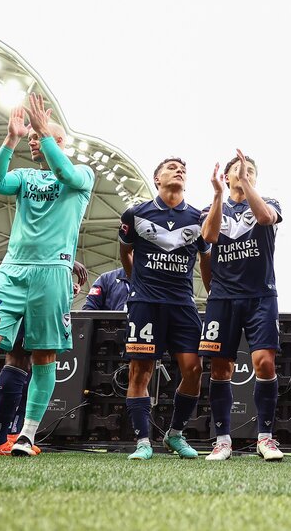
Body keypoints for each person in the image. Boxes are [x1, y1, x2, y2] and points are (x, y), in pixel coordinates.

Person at [0, 94, 94, 456]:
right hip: (12, 270)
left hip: (53, 273)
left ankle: (27, 435)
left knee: (43, 354)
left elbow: (66, 173)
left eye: (39, 136)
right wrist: (10, 140)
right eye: (31, 137)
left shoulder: (82, 175)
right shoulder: (25, 176)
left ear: (59, 142)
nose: (33, 140)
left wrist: (43, 132)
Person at [119, 157, 211, 460]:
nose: (179, 170)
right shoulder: (136, 214)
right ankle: (143, 442)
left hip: (183, 304)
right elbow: (125, 249)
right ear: (157, 179)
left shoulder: (198, 218)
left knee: (194, 369)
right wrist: (135, 283)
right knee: (140, 371)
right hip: (145, 303)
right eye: (171, 167)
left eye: (183, 168)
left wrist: (212, 292)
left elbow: (206, 259)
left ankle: (175, 434)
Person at [200, 151, 284, 462]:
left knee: (265, 363)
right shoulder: (213, 208)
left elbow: (265, 218)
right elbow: (208, 237)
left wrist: (248, 186)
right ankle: (223, 440)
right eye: (239, 170)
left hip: (261, 296)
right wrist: (219, 194)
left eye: (250, 170)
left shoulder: (268, 202)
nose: (245, 173)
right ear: (227, 176)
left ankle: (266, 438)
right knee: (221, 368)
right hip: (223, 298)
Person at [0, 262, 88, 456]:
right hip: (36, 284)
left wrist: (65, 281)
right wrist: (67, 263)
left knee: (24, 362)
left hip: (27, 281)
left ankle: (9, 436)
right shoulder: (55, 240)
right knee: (24, 358)